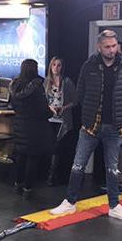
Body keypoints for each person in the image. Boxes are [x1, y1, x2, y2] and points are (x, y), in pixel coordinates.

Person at [50, 30, 122, 221]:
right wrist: (89, 113)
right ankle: (69, 202)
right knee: (78, 164)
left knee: (112, 168)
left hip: (115, 126)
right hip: (91, 125)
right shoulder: (89, 66)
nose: (112, 50)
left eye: (114, 46)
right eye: (107, 46)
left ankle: (114, 205)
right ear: (99, 47)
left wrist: (121, 110)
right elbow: (81, 92)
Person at [10, 59, 54, 199]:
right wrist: (51, 112)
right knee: (32, 158)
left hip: (19, 124)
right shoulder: (37, 86)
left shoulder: (14, 85)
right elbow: (42, 109)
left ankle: (18, 184)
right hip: (35, 126)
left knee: (21, 157)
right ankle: (28, 189)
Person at [44, 56, 77, 186]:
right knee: (52, 148)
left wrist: (64, 108)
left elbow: (75, 101)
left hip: (64, 120)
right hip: (49, 119)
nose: (56, 68)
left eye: (59, 65)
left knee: (61, 149)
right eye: (54, 65)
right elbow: (43, 100)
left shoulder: (67, 82)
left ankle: (57, 176)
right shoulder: (46, 82)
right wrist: (50, 108)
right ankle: (50, 175)